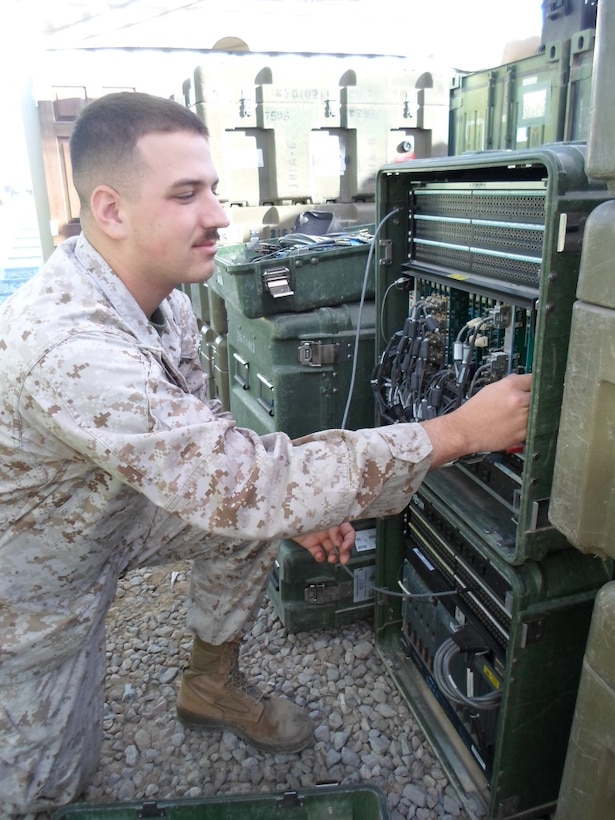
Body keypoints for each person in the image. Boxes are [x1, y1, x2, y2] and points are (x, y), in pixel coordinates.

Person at [0, 91, 532, 817]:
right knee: (47, 787)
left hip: (110, 511)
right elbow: (242, 480)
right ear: (111, 211)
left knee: (250, 517)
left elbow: (211, 447)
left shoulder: (163, 295)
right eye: (186, 194)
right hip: (30, 583)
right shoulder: (69, 345)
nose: (218, 215)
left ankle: (209, 686)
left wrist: (292, 509)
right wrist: (458, 432)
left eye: (212, 189)